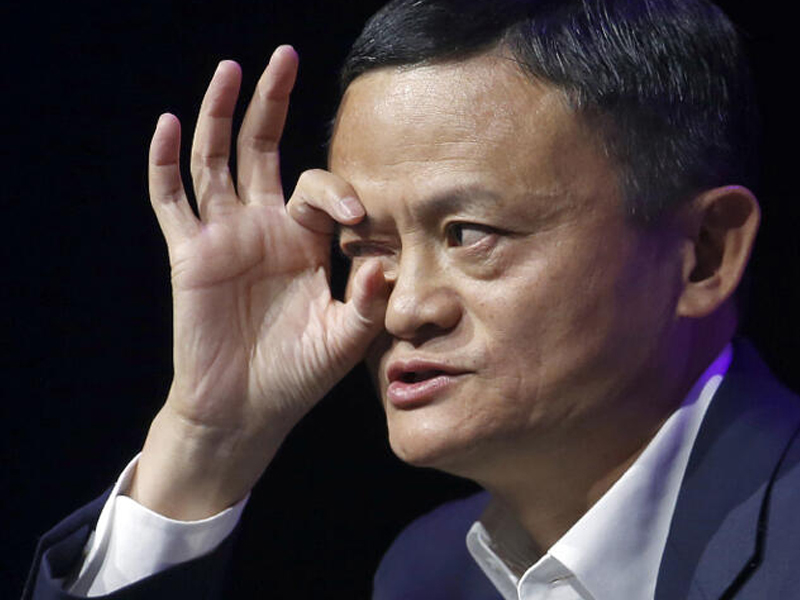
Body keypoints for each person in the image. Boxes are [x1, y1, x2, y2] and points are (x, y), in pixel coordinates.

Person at [24, 0, 800, 598]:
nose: (402, 312)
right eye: (367, 248)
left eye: (468, 234)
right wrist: (208, 439)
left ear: (703, 254)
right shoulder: (423, 574)